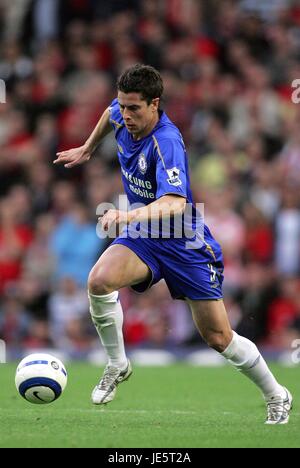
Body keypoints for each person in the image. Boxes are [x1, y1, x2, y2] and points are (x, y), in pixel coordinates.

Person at [54, 64, 292, 424]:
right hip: (147, 235)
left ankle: (277, 394)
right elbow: (108, 113)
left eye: (135, 108)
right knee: (99, 281)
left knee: (218, 337)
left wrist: (126, 217)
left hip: (184, 242)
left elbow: (175, 203)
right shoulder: (120, 112)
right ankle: (118, 364)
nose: (126, 114)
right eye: (124, 105)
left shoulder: (166, 142)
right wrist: (88, 148)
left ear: (155, 104)